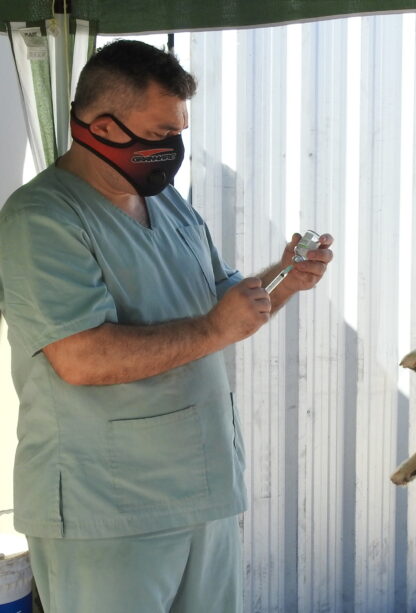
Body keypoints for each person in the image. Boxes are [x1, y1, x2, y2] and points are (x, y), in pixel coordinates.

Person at [0, 40, 333, 613]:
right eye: (158, 135)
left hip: (203, 490)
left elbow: (223, 304)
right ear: (101, 126)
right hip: (107, 509)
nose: (172, 150)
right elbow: (80, 358)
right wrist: (213, 328)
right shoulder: (43, 219)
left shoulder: (170, 203)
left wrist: (284, 278)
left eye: (178, 133)